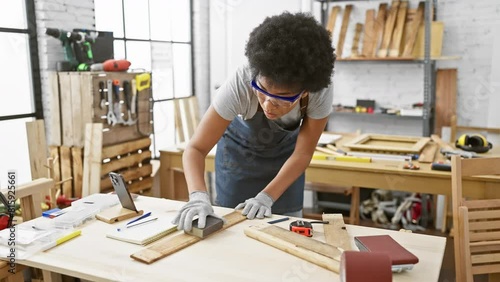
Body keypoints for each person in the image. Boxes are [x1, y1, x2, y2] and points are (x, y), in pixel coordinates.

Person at [173, 11, 336, 231]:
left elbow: (303, 154)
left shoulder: (319, 92)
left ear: (305, 91)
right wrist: (198, 196)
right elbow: (195, 148)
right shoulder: (240, 82)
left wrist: (267, 197)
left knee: (286, 231)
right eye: (262, 91)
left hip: (286, 162)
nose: (268, 105)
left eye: (282, 99)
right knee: (231, 231)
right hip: (238, 161)